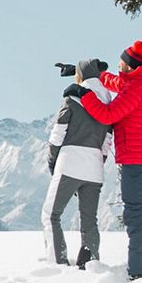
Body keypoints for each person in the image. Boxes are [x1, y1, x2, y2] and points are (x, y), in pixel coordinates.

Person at [75, 39, 142, 280]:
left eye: (121, 63)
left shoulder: (136, 89)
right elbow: (118, 82)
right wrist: (94, 76)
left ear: (131, 66)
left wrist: (83, 94)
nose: (118, 66)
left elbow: (108, 114)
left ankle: (140, 271)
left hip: (137, 162)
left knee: (135, 215)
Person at [43, 58, 114, 268]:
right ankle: (90, 262)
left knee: (51, 215)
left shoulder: (72, 96)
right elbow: (106, 143)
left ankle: (58, 261)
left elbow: (58, 134)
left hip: (69, 163)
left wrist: (52, 161)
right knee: (89, 221)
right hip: (94, 169)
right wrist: (97, 162)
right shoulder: (108, 101)